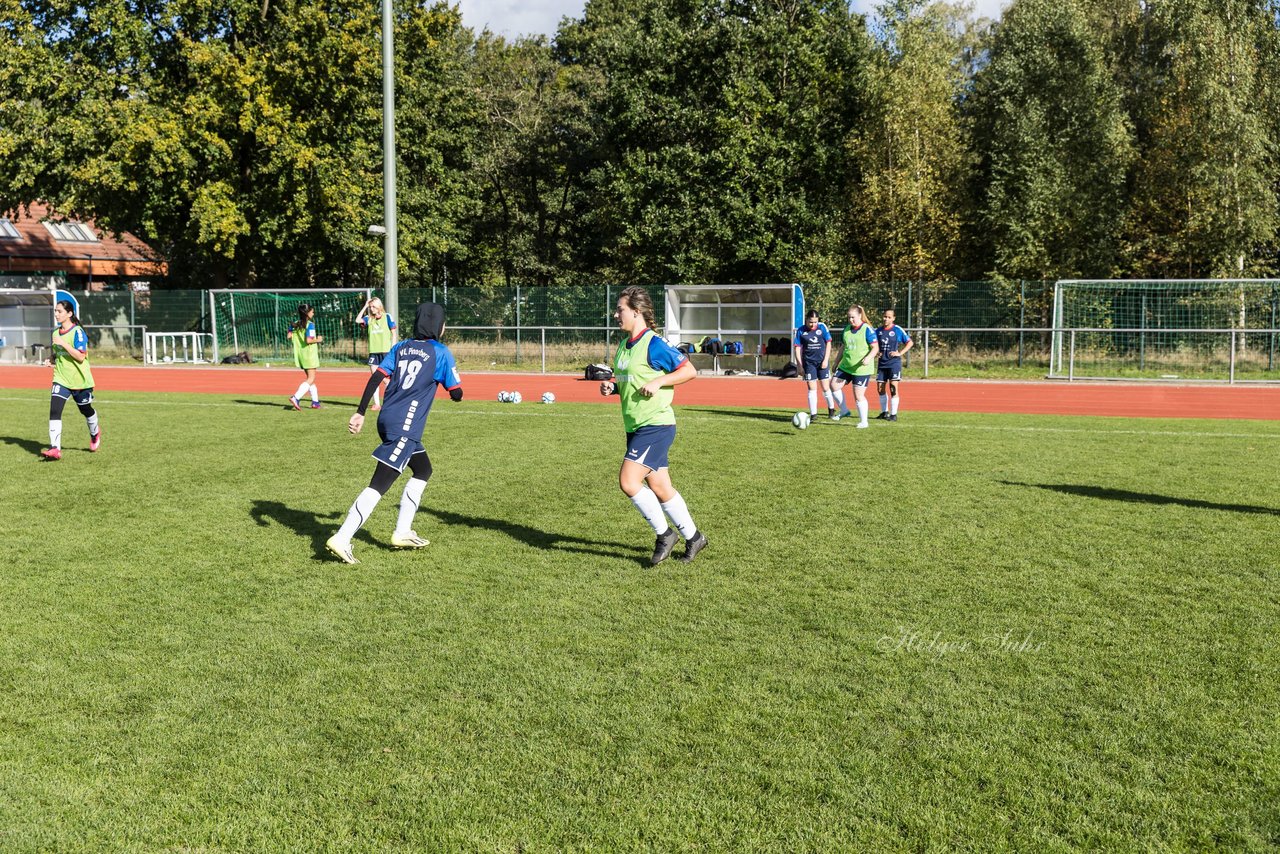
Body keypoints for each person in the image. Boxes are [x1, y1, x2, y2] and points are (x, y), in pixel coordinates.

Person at [326, 302, 463, 565]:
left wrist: (361, 412)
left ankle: (402, 531)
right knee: (379, 484)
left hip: (386, 419)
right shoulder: (440, 352)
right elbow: (456, 393)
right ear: (440, 326)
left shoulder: (400, 347)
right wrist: (452, 386)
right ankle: (342, 538)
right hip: (405, 427)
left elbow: (376, 377)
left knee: (423, 470)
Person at [600, 286, 708, 566]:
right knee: (660, 486)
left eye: (620, 309)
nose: (616, 314)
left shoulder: (655, 343)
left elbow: (689, 370)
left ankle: (664, 535)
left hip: (656, 425)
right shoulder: (624, 345)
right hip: (635, 425)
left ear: (636, 312)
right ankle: (695, 537)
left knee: (628, 481)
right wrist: (613, 386)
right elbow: (628, 377)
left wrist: (660, 381)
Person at [41, 300, 101, 460]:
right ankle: (55, 448)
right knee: (54, 410)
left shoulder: (78, 332)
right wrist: (51, 360)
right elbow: (57, 354)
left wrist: (63, 344)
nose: (56, 314)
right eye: (55, 311)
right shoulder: (55, 333)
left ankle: (95, 433)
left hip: (80, 380)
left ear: (70, 313)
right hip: (61, 378)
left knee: (85, 409)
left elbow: (81, 357)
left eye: (59, 311)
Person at [830, 305, 879, 428]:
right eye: (849, 317)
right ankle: (844, 410)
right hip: (846, 366)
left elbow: (875, 348)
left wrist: (868, 358)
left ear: (860, 316)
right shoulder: (846, 329)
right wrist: (836, 362)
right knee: (834, 385)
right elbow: (843, 347)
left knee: (858, 395)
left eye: (853, 317)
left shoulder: (867, 329)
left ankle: (864, 422)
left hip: (861, 369)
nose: (851, 320)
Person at [793, 310, 837, 419]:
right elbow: (797, 348)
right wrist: (799, 365)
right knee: (812, 388)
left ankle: (831, 409)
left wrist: (826, 360)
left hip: (822, 362)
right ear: (806, 320)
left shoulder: (822, 327)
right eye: (810, 322)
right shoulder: (801, 330)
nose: (813, 324)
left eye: (815, 322)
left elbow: (829, 343)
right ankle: (813, 414)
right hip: (808, 363)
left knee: (825, 387)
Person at [356, 296, 397, 411]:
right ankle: (377, 404)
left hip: (386, 352)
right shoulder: (369, 319)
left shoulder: (387, 316)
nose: (372, 309)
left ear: (379, 306)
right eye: (370, 307)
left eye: (373, 306)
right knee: (375, 378)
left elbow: (393, 333)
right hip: (373, 352)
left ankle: (391, 400)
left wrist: (393, 348)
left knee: (385, 378)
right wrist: (365, 306)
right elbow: (357, 320)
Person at [875, 308, 913, 421]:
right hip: (882, 363)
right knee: (880, 388)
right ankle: (884, 412)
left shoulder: (897, 329)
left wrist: (899, 353)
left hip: (893, 363)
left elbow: (910, 342)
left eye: (889, 317)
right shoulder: (878, 331)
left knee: (893, 387)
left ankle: (893, 414)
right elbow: (873, 344)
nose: (886, 319)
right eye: (885, 316)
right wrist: (877, 352)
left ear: (893, 318)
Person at [287, 303, 323, 410]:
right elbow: (309, 340)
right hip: (309, 355)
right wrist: (318, 339)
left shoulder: (295, 324)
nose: (313, 313)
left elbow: (289, 336)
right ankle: (296, 397)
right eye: (312, 311)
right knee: (311, 378)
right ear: (307, 313)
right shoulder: (310, 324)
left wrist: (294, 332)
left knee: (310, 379)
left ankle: (315, 402)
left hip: (301, 355)